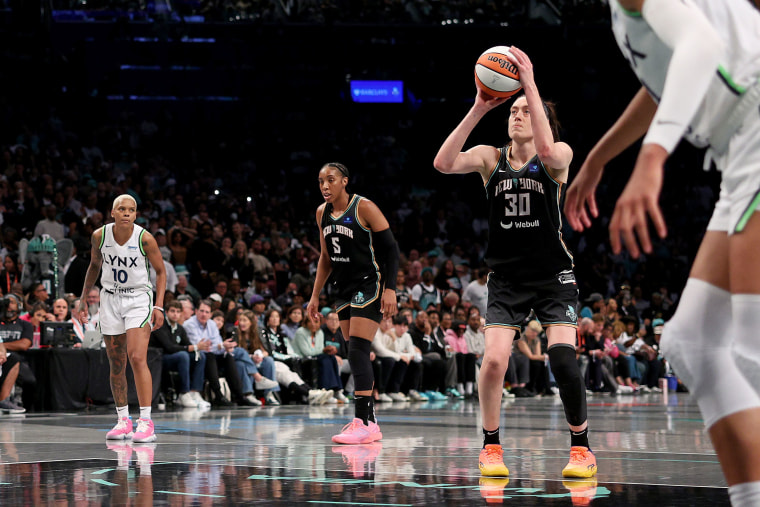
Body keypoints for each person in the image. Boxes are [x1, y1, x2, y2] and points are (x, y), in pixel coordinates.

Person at [565, 2, 760, 502]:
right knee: (693, 341)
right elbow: (668, 79)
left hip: (754, 126)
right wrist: (599, 157)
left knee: (754, 356)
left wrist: (652, 158)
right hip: (739, 147)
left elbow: (704, 45)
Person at [433, 46, 595, 478]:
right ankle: (491, 447)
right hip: (506, 279)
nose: (517, 114)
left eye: (527, 110)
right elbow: (443, 163)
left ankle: (581, 447)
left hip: (552, 277)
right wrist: (477, 107)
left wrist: (530, 83)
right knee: (493, 361)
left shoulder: (557, 156)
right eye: (514, 110)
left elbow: (545, 148)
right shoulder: (490, 158)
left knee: (562, 359)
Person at [306, 162, 399, 445]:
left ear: (344, 181)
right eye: (321, 181)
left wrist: (391, 289)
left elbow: (391, 249)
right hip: (342, 286)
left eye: (330, 180)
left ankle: (363, 421)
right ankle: (369, 420)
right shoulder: (322, 213)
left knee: (358, 349)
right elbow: (325, 258)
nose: (324, 185)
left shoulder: (364, 207)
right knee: (353, 350)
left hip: (368, 282)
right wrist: (314, 295)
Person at [75, 194, 166, 443]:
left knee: (137, 356)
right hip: (110, 298)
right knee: (116, 362)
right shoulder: (99, 236)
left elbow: (160, 272)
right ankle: (123, 420)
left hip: (138, 299)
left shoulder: (145, 238)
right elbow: (94, 265)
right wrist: (83, 298)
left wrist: (159, 306)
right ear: (112, 212)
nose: (127, 213)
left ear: (136, 215)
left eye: (131, 209)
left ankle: (146, 422)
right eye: (122, 209)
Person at [149, 300, 211, 409]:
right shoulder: (160, 326)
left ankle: (194, 392)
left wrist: (196, 347)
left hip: (176, 357)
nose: (175, 314)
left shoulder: (180, 328)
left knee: (200, 356)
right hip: (159, 358)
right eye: (172, 311)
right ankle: (183, 393)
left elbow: (187, 345)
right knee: (183, 355)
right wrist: (191, 347)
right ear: (166, 312)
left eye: (178, 312)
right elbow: (169, 347)